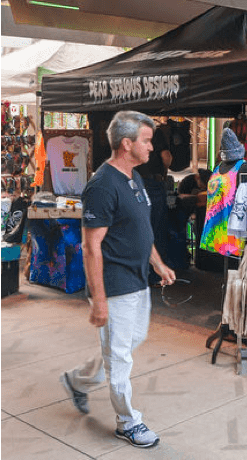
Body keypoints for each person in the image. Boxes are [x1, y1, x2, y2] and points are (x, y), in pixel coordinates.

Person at [60, 111, 176, 448]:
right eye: (146, 140)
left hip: (138, 279)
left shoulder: (133, 178)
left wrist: (158, 263)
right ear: (127, 144)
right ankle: (128, 421)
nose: (152, 147)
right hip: (115, 284)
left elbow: (140, 229)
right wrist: (98, 299)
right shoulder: (102, 185)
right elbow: (90, 246)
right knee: (120, 357)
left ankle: (77, 382)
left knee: (125, 345)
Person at [134, 118, 173, 286]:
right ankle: (156, 276)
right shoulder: (156, 135)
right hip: (153, 185)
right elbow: (167, 157)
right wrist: (164, 170)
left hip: (135, 183)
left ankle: (139, 274)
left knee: (138, 227)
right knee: (156, 229)